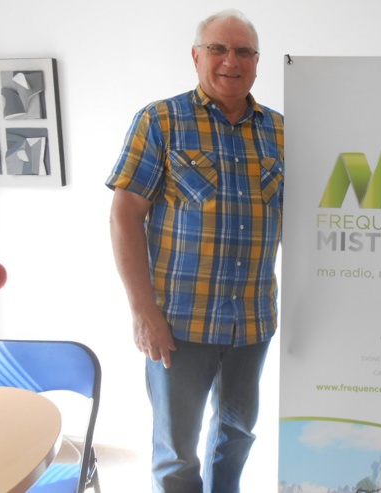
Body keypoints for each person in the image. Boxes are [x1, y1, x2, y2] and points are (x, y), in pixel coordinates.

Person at [106, 9, 283, 493]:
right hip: (179, 325)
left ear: (257, 61)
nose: (231, 61)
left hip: (252, 322)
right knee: (177, 453)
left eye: (243, 51)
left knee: (237, 435)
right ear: (196, 56)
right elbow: (125, 216)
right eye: (218, 49)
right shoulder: (161, 121)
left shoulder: (279, 132)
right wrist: (143, 313)